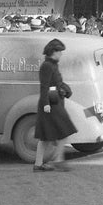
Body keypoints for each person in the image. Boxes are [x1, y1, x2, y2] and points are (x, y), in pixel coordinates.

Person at [33, 39, 77, 172]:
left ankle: (38, 164)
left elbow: (56, 83)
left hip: (54, 102)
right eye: (60, 52)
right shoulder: (47, 66)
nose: (61, 54)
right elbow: (44, 85)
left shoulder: (52, 65)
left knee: (46, 136)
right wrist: (46, 104)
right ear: (53, 52)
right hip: (51, 104)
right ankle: (58, 160)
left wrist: (65, 89)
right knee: (64, 131)